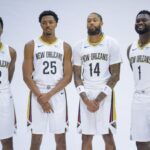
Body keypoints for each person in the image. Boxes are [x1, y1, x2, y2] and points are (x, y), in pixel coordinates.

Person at [22, 10, 72, 150]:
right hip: (37, 92)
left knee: (60, 139)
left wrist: (47, 97)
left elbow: (68, 77)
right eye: (44, 23)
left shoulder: (65, 46)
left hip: (57, 93)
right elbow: (26, 76)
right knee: (36, 139)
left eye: (50, 22)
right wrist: (40, 97)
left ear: (56, 24)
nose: (47, 25)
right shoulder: (31, 45)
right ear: (40, 25)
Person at [73, 12, 122, 150]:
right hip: (86, 93)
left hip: (105, 92)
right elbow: (76, 76)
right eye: (89, 21)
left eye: (95, 20)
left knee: (107, 135)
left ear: (101, 23)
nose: (91, 23)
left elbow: (116, 75)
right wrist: (86, 100)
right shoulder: (79, 46)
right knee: (86, 137)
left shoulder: (111, 43)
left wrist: (98, 100)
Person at [127, 10, 150, 150]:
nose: (140, 22)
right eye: (138, 20)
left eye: (144, 19)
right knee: (140, 142)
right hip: (138, 98)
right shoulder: (131, 48)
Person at [0, 17, 17, 150]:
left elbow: (8, 78)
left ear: (2, 29)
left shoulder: (10, 51)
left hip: (3, 98)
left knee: (6, 139)